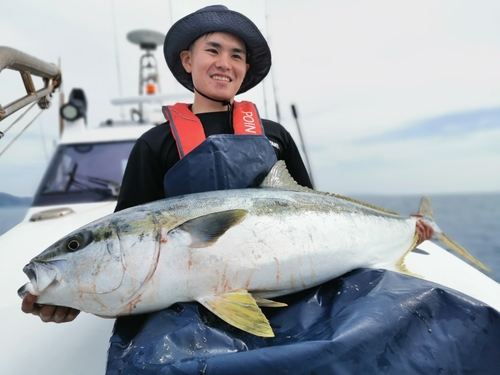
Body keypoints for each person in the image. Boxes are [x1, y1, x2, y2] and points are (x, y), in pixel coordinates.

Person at [21, 4, 433, 328]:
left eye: (236, 55)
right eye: (212, 50)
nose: (225, 63)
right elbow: (129, 244)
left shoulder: (274, 135)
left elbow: (312, 206)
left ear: (245, 69)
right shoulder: (155, 143)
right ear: (187, 60)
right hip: (192, 307)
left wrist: (404, 230)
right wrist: (82, 294)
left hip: (299, 287)